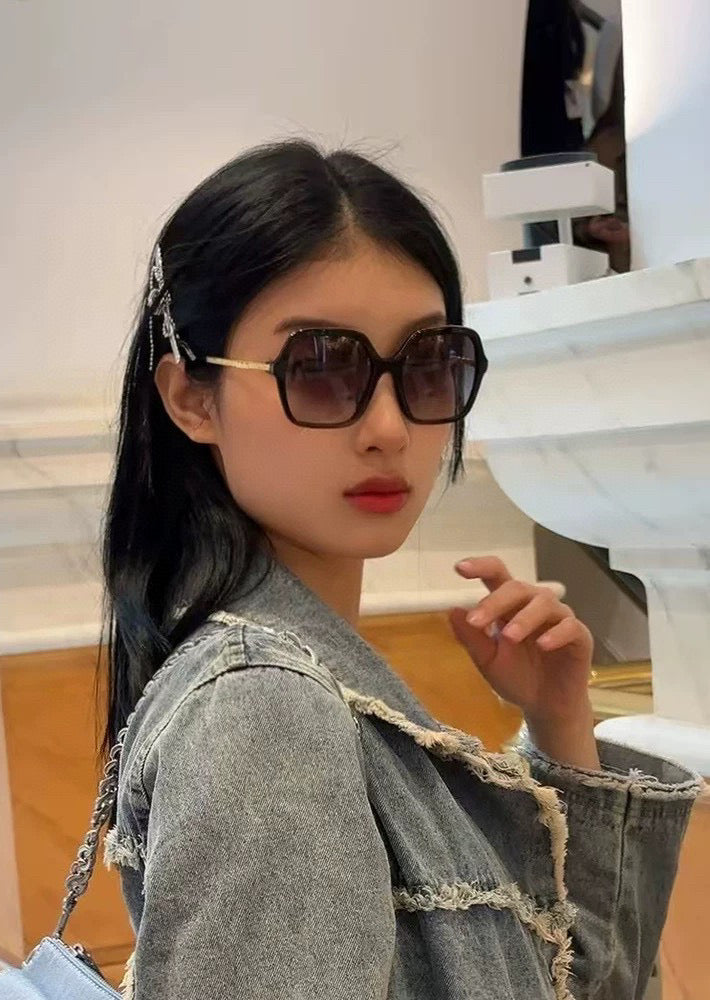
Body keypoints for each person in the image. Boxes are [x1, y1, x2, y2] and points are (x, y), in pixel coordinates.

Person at [99, 139, 702, 1000]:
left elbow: (564, 982)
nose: (388, 427)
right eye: (319, 368)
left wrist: (559, 723)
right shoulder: (262, 711)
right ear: (193, 398)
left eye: (427, 364)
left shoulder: (305, 689)